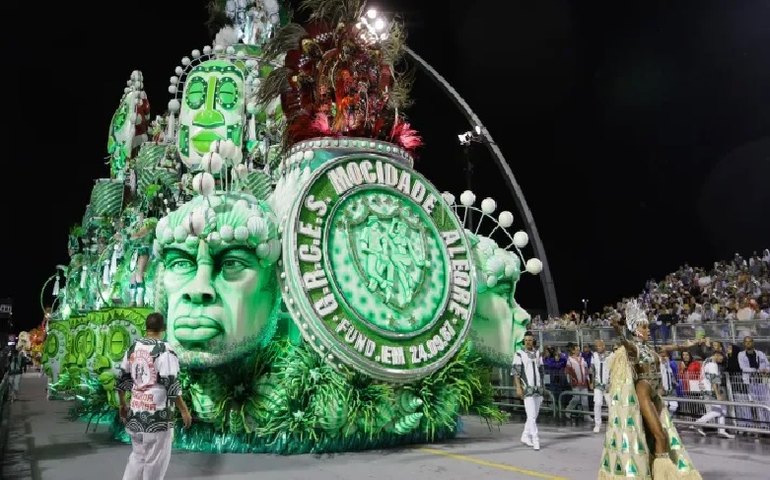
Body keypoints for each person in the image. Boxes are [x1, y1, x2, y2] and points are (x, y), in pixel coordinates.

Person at [599, 300, 701, 479]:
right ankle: (663, 475)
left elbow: (669, 347)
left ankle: (654, 472)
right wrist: (617, 329)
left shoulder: (650, 349)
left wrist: (686, 345)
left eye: (648, 328)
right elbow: (625, 342)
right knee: (660, 435)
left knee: (653, 437)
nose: (648, 331)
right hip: (643, 392)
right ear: (636, 330)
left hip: (654, 395)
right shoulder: (634, 350)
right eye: (644, 328)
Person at [118, 312, 192, 480]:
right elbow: (171, 383)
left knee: (137, 458)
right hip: (157, 418)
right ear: (164, 328)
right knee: (155, 463)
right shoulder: (165, 350)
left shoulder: (133, 347)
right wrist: (184, 410)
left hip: (135, 413)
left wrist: (122, 404)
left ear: (146, 328)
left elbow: (122, 378)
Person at [512, 331, 544, 450]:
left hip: (538, 389)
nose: (528, 342)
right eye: (526, 340)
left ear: (533, 340)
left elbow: (541, 370)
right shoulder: (519, 354)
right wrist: (518, 387)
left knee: (534, 415)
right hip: (527, 389)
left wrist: (543, 387)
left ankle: (525, 435)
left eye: (530, 340)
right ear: (524, 341)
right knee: (531, 416)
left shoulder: (537, 353)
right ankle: (536, 439)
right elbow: (516, 372)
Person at [693, 351, 734, 438]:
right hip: (711, 390)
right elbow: (714, 380)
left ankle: (721, 430)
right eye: (721, 358)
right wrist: (718, 393)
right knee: (716, 411)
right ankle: (697, 423)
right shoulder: (713, 365)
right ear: (717, 355)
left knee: (723, 410)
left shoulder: (706, 361)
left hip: (705, 388)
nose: (721, 360)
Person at [590, 339, 612, 433]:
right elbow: (592, 370)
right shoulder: (594, 356)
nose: (598, 347)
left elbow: (613, 370)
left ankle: (612, 424)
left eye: (600, 346)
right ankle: (597, 424)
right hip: (598, 383)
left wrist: (611, 382)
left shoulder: (611, 355)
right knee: (597, 403)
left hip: (608, 384)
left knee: (610, 404)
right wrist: (591, 382)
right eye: (597, 346)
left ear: (604, 346)